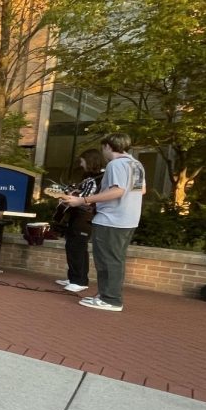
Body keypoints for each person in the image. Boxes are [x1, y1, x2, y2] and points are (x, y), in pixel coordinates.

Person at [62, 133, 146, 312]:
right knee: (115, 259)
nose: (103, 152)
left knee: (106, 260)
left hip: (111, 219)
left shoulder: (115, 164)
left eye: (103, 147)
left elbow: (117, 191)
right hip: (128, 219)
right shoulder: (135, 163)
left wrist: (83, 201)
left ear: (108, 146)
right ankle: (106, 294)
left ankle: (110, 299)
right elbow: (141, 190)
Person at [54, 148, 105, 294]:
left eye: (82, 161)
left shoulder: (100, 178)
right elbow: (80, 194)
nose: (81, 164)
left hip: (86, 216)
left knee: (78, 247)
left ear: (90, 161)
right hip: (77, 215)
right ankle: (73, 277)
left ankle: (80, 281)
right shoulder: (88, 177)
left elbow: (87, 199)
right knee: (72, 246)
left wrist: (72, 197)